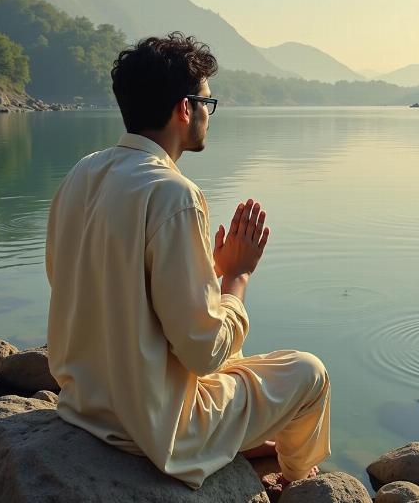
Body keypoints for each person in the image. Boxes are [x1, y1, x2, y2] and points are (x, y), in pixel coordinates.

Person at [46, 32, 331, 490]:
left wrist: (207, 273)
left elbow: (93, 289)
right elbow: (203, 353)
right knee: (308, 373)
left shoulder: (82, 172)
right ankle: (297, 483)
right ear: (184, 109)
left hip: (83, 405)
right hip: (154, 429)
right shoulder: (173, 195)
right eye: (206, 102)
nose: (207, 113)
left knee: (242, 364)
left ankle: (260, 452)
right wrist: (235, 276)